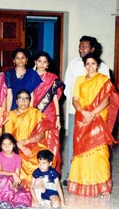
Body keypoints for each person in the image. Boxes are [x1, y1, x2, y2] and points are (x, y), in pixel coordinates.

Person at [63, 35, 110, 185]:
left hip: (97, 114)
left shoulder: (103, 68)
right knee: (74, 143)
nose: (81, 49)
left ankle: (97, 179)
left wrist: (92, 112)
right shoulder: (73, 64)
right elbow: (68, 88)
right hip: (76, 111)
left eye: (84, 47)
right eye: (80, 47)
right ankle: (72, 176)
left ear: (93, 49)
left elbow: (106, 93)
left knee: (96, 146)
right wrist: (81, 109)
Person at [67, 53, 116, 197]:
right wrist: (83, 112)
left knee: (99, 152)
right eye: (87, 64)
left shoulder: (103, 80)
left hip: (98, 118)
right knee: (81, 151)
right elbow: (75, 99)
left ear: (98, 65)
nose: (90, 67)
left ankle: (102, 186)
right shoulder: (79, 80)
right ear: (84, 65)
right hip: (82, 119)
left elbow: (107, 100)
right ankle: (82, 183)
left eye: (93, 64)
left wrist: (92, 114)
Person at [4, 90, 58, 188]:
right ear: (16, 101)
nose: (23, 101)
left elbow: (41, 134)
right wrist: (21, 146)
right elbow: (8, 137)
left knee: (47, 157)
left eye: (26, 99)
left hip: (34, 143)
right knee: (24, 161)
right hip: (15, 146)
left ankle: (42, 184)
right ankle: (26, 185)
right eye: (20, 98)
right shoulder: (10, 115)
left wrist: (27, 141)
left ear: (30, 101)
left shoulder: (35, 113)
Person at [33, 51, 65, 173]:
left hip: (50, 114)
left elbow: (56, 99)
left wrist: (58, 117)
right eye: (39, 61)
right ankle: (37, 173)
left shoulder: (53, 78)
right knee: (37, 143)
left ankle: (52, 173)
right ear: (35, 62)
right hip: (35, 115)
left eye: (44, 62)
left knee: (53, 144)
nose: (41, 64)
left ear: (48, 64)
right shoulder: (30, 76)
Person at [0, 133, 32, 209]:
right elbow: (0, 171)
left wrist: (15, 185)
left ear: (14, 145)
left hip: (11, 179)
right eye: (4, 145)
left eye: (9, 144)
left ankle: (4, 202)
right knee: (5, 180)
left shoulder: (17, 158)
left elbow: (17, 175)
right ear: (0, 146)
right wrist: (13, 174)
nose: (7, 147)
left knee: (21, 193)